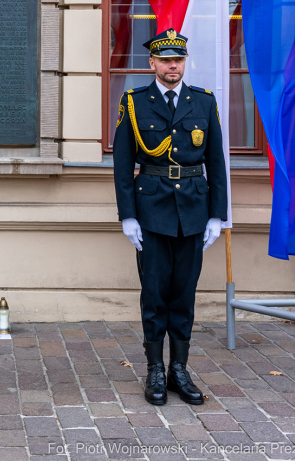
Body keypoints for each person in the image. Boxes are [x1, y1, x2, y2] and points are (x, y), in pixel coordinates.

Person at [112, 29, 227, 406]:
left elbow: (216, 163)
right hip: (152, 212)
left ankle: (179, 368)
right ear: (152, 64)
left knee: (184, 294)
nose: (172, 66)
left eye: (178, 59)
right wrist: (128, 215)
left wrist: (217, 216)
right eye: (165, 60)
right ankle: (155, 370)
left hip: (194, 210)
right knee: (155, 294)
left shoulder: (204, 102)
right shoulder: (134, 102)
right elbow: (123, 163)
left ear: (184, 63)